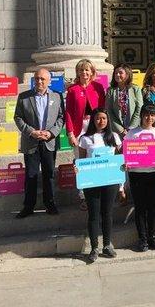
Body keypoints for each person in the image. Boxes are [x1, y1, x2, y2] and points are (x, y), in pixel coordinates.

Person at [13, 68, 64, 218]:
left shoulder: (57, 96)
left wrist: (51, 133)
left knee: (49, 174)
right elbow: (18, 117)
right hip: (31, 141)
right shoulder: (24, 97)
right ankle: (28, 206)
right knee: (31, 175)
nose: (39, 81)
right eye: (37, 79)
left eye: (42, 79)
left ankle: (50, 204)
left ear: (49, 81)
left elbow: (61, 118)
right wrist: (31, 131)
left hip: (49, 141)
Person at [76, 108, 122, 262]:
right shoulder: (85, 138)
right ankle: (94, 247)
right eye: (97, 118)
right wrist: (77, 171)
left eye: (103, 118)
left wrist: (121, 185)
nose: (101, 121)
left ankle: (107, 245)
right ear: (92, 120)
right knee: (94, 215)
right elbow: (80, 162)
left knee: (107, 213)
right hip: (92, 182)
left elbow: (119, 161)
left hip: (110, 181)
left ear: (108, 120)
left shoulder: (114, 137)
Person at [65, 59, 106, 211]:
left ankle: (99, 191)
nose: (84, 73)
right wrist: (70, 133)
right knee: (80, 162)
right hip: (79, 129)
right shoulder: (72, 90)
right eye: (81, 70)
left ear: (92, 72)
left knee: (97, 159)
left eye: (87, 70)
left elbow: (103, 109)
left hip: (96, 127)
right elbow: (68, 112)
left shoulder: (98, 87)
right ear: (77, 73)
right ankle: (83, 195)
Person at [125, 105, 155, 252]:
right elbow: (126, 154)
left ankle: (152, 236)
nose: (149, 118)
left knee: (153, 207)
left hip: (154, 174)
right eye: (146, 115)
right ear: (141, 116)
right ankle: (142, 239)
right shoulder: (132, 133)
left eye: (152, 115)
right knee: (140, 208)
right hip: (137, 175)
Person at [106, 63, 143, 138]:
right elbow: (108, 110)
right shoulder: (110, 90)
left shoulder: (135, 89)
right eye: (116, 73)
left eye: (120, 73)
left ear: (127, 74)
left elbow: (139, 108)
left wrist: (131, 128)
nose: (117, 75)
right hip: (117, 130)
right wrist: (121, 130)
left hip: (134, 129)